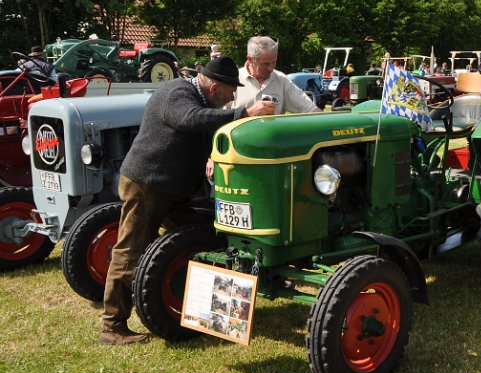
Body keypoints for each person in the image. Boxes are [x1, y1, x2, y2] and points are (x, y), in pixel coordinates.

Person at [99, 56, 276, 345]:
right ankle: (112, 326)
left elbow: (203, 131)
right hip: (148, 185)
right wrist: (242, 113)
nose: (232, 97)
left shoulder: (203, 101)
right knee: (131, 250)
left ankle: (213, 313)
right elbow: (189, 120)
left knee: (205, 240)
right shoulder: (176, 93)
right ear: (215, 87)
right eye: (231, 91)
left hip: (174, 190)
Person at [230, 36, 319, 115]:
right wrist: (248, 113)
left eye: (274, 62)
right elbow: (219, 117)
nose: (271, 68)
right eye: (266, 64)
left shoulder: (282, 80)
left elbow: (310, 109)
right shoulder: (232, 79)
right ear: (250, 59)